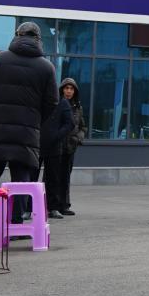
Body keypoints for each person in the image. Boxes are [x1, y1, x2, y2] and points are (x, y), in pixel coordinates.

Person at [0, 22, 58, 236]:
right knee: (22, 179)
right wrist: (35, 119)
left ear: (17, 35)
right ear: (38, 39)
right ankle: (17, 226)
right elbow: (52, 101)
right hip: (27, 132)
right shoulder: (46, 67)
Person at [39, 87, 74, 219]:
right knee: (31, 178)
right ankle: (28, 208)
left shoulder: (62, 102)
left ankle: (52, 208)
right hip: (36, 144)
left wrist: (57, 136)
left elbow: (70, 123)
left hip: (54, 146)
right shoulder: (37, 100)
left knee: (53, 178)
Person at [57, 79, 85, 215]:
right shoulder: (56, 104)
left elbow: (82, 127)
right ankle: (51, 205)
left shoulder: (78, 107)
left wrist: (78, 138)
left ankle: (64, 205)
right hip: (57, 147)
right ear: (62, 89)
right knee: (53, 177)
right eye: (66, 88)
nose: (69, 91)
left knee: (65, 177)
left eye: (71, 89)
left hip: (71, 147)